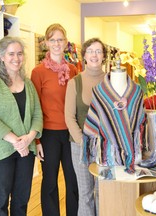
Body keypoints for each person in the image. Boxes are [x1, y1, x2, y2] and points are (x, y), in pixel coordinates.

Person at [0, 36, 43, 216]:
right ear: (1, 56)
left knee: (22, 200)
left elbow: (37, 114)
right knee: (0, 201)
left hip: (25, 151)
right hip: (0, 151)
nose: (16, 58)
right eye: (11, 54)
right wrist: (16, 141)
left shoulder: (28, 84)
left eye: (20, 54)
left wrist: (30, 137)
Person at [31, 23, 78, 216]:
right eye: (52, 40)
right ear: (46, 43)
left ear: (66, 42)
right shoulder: (38, 72)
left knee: (73, 180)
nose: (57, 43)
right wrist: (37, 140)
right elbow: (34, 108)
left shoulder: (74, 70)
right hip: (48, 134)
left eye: (60, 39)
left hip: (71, 133)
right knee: (49, 181)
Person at [65, 38, 107, 216]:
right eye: (90, 51)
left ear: (104, 56)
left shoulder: (112, 80)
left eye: (98, 51)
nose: (94, 55)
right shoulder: (75, 82)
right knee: (86, 194)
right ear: (84, 56)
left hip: (106, 147)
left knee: (103, 192)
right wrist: (83, 141)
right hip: (80, 145)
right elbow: (69, 116)